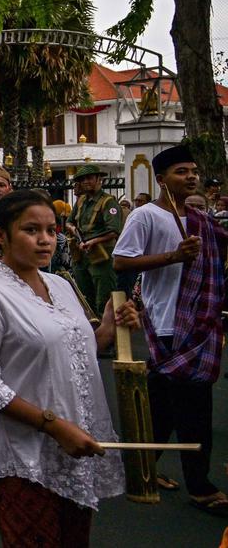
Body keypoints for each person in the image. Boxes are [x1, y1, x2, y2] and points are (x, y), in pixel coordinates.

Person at [0, 190, 133, 546]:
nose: (45, 240)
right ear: (0, 235)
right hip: (26, 454)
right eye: (31, 230)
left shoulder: (60, 285)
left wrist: (109, 328)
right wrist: (53, 425)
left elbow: (75, 350)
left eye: (52, 230)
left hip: (75, 444)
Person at [113, 144, 228, 515]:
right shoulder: (145, 215)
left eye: (193, 171)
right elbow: (121, 261)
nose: (191, 177)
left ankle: (139, 468)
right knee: (195, 413)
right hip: (167, 323)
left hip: (199, 321)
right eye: (181, 171)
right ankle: (201, 488)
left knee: (161, 409)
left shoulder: (201, 220)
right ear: (161, 179)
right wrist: (174, 256)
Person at [69, 165, 123, 316]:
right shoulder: (80, 201)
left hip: (101, 255)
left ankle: (107, 329)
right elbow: (69, 222)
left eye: (89, 178)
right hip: (81, 255)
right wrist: (76, 233)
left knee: (104, 299)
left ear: (99, 179)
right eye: (82, 179)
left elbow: (113, 230)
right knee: (84, 299)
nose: (85, 181)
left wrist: (93, 241)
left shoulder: (108, 202)